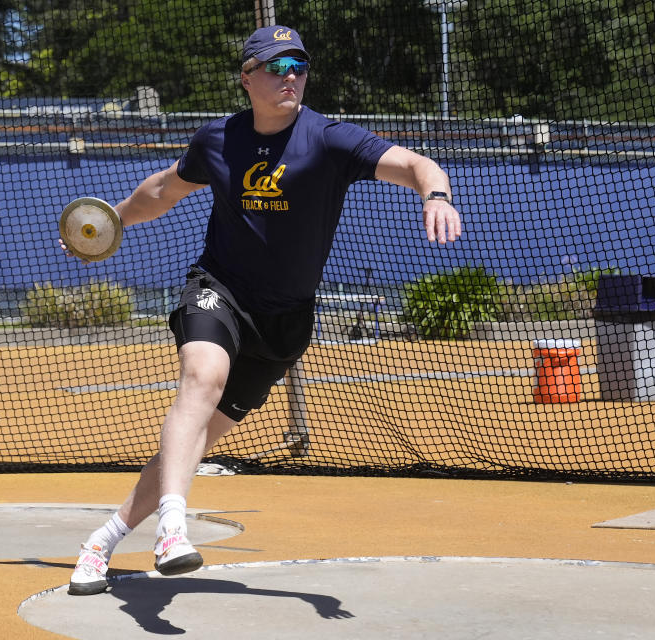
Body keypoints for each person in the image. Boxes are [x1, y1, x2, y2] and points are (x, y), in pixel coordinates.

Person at [61, 24, 461, 595]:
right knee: (202, 376)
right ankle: (173, 529)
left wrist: (436, 195)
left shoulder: (331, 139)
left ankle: (100, 542)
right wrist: (111, 220)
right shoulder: (217, 141)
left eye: (298, 64)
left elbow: (419, 166)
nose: (291, 75)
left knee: (195, 441)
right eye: (276, 66)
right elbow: (166, 189)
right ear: (248, 78)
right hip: (219, 287)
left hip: (284, 322)